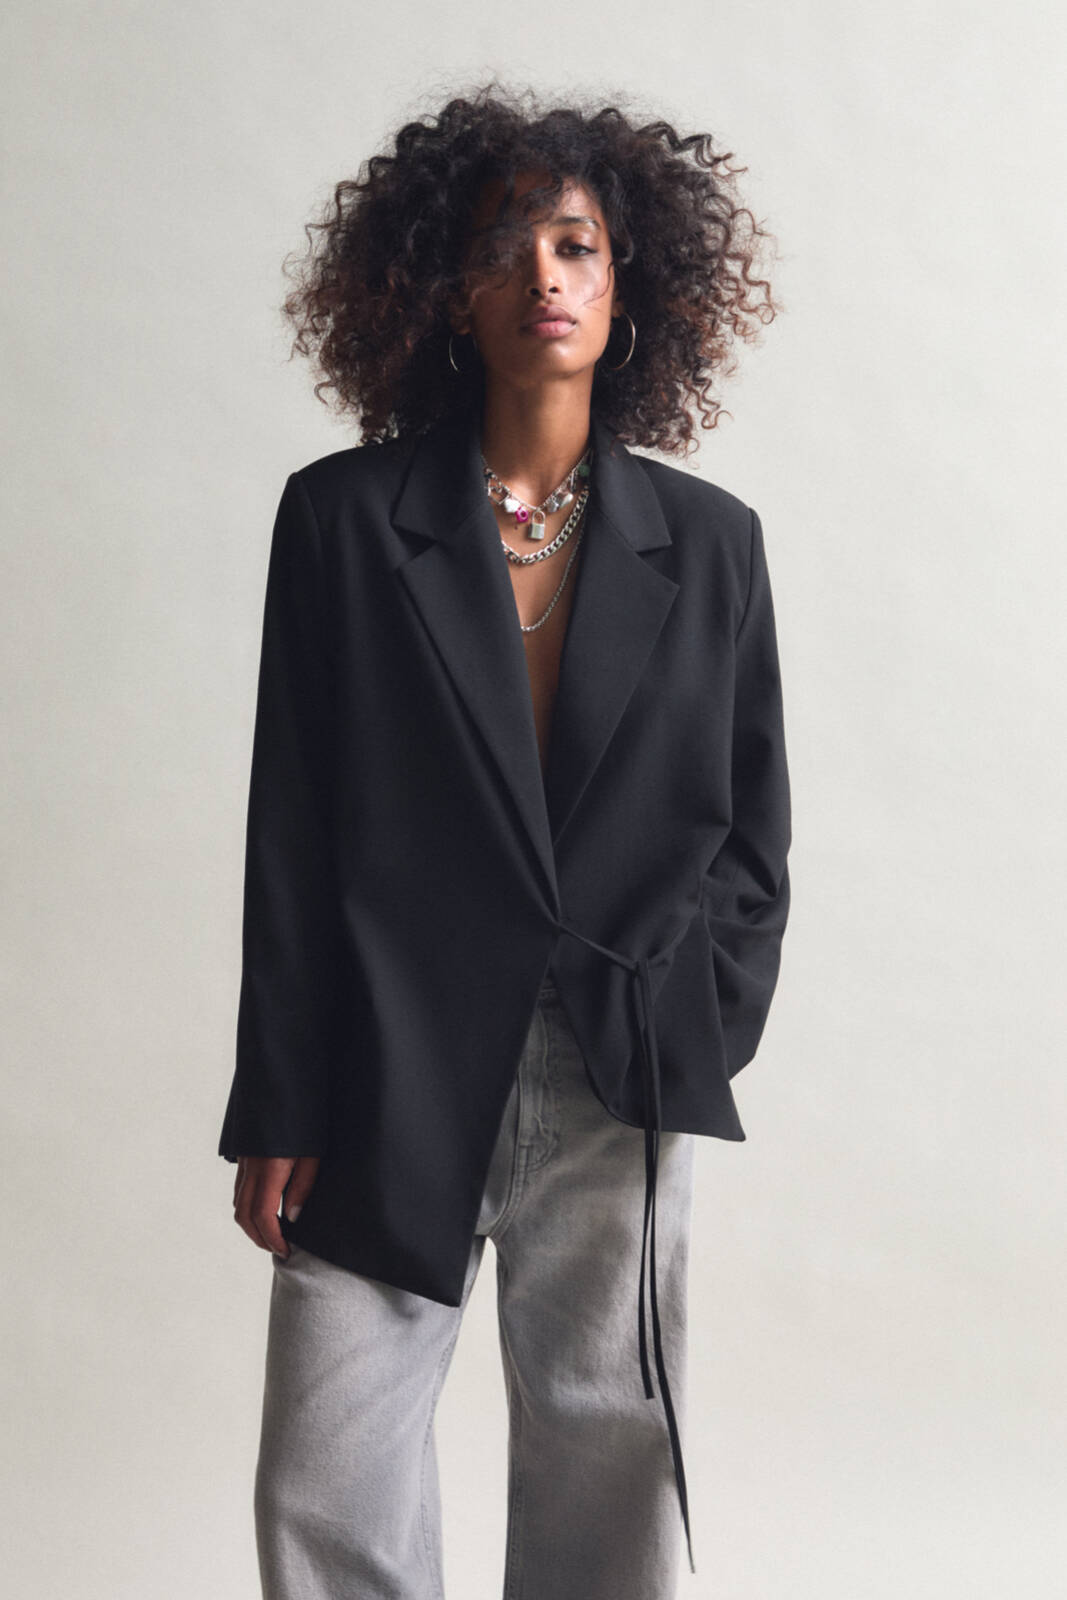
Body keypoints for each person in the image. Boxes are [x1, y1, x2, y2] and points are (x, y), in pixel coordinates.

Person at [218, 83, 792, 1600]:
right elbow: (293, 824)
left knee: (612, 1459)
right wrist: (279, 1094)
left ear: (626, 282)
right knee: (326, 1473)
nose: (543, 273)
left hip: (619, 1064)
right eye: (501, 247)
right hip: (385, 1057)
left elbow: (754, 831)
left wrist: (698, 1016)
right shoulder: (343, 522)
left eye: (575, 243)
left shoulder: (713, 545)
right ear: (444, 292)